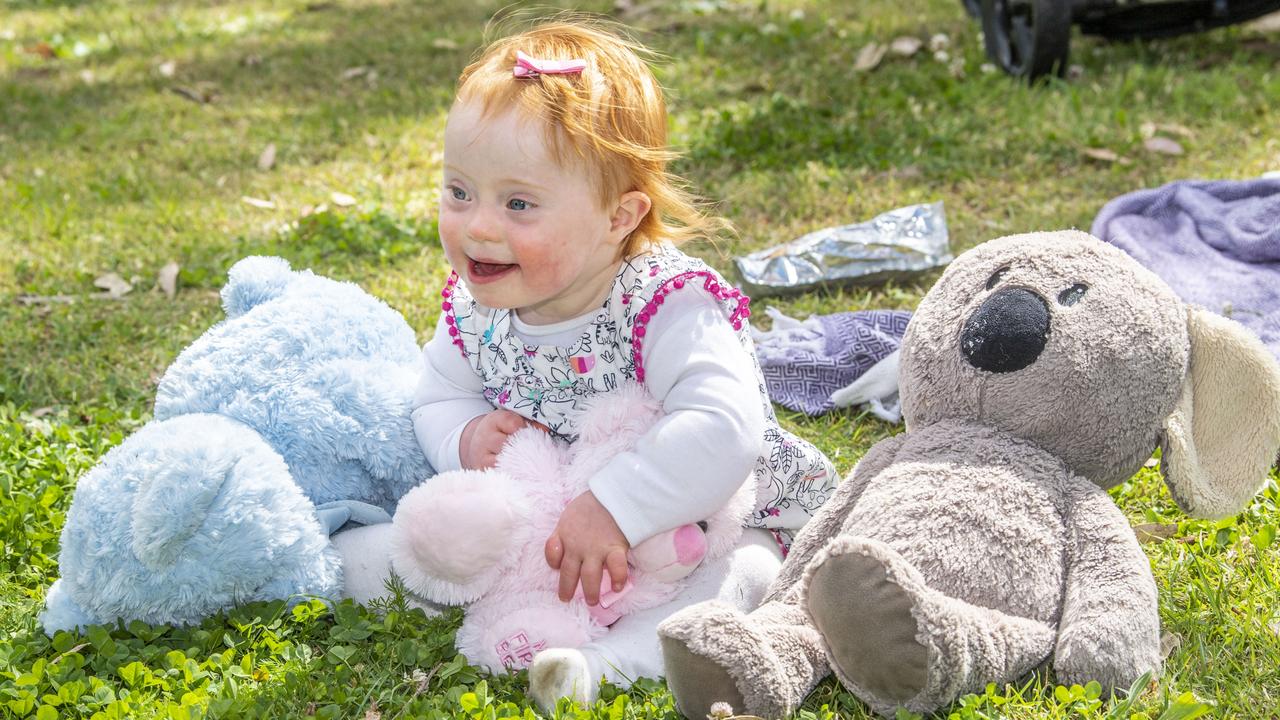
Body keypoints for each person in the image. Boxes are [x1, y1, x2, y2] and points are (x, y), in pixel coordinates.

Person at [410, 18, 837, 710]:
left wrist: (617, 506)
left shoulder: (662, 304)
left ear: (619, 217)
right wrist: (464, 437)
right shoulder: (476, 304)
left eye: (519, 203)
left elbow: (725, 429)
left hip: (704, 520)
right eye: (460, 192)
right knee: (450, 551)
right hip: (555, 530)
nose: (479, 226)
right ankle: (529, 617)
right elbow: (434, 395)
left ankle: (603, 666)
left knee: (745, 570)